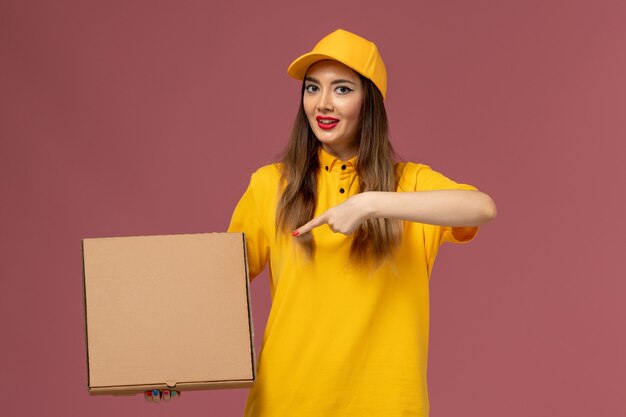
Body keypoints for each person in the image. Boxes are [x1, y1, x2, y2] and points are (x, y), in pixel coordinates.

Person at [149, 29, 497, 415]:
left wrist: (369, 203)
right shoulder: (271, 185)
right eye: (312, 88)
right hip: (285, 404)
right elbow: (213, 284)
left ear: (371, 102)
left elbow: (480, 207)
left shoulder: (408, 185)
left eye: (342, 89)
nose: (323, 104)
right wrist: (158, 370)